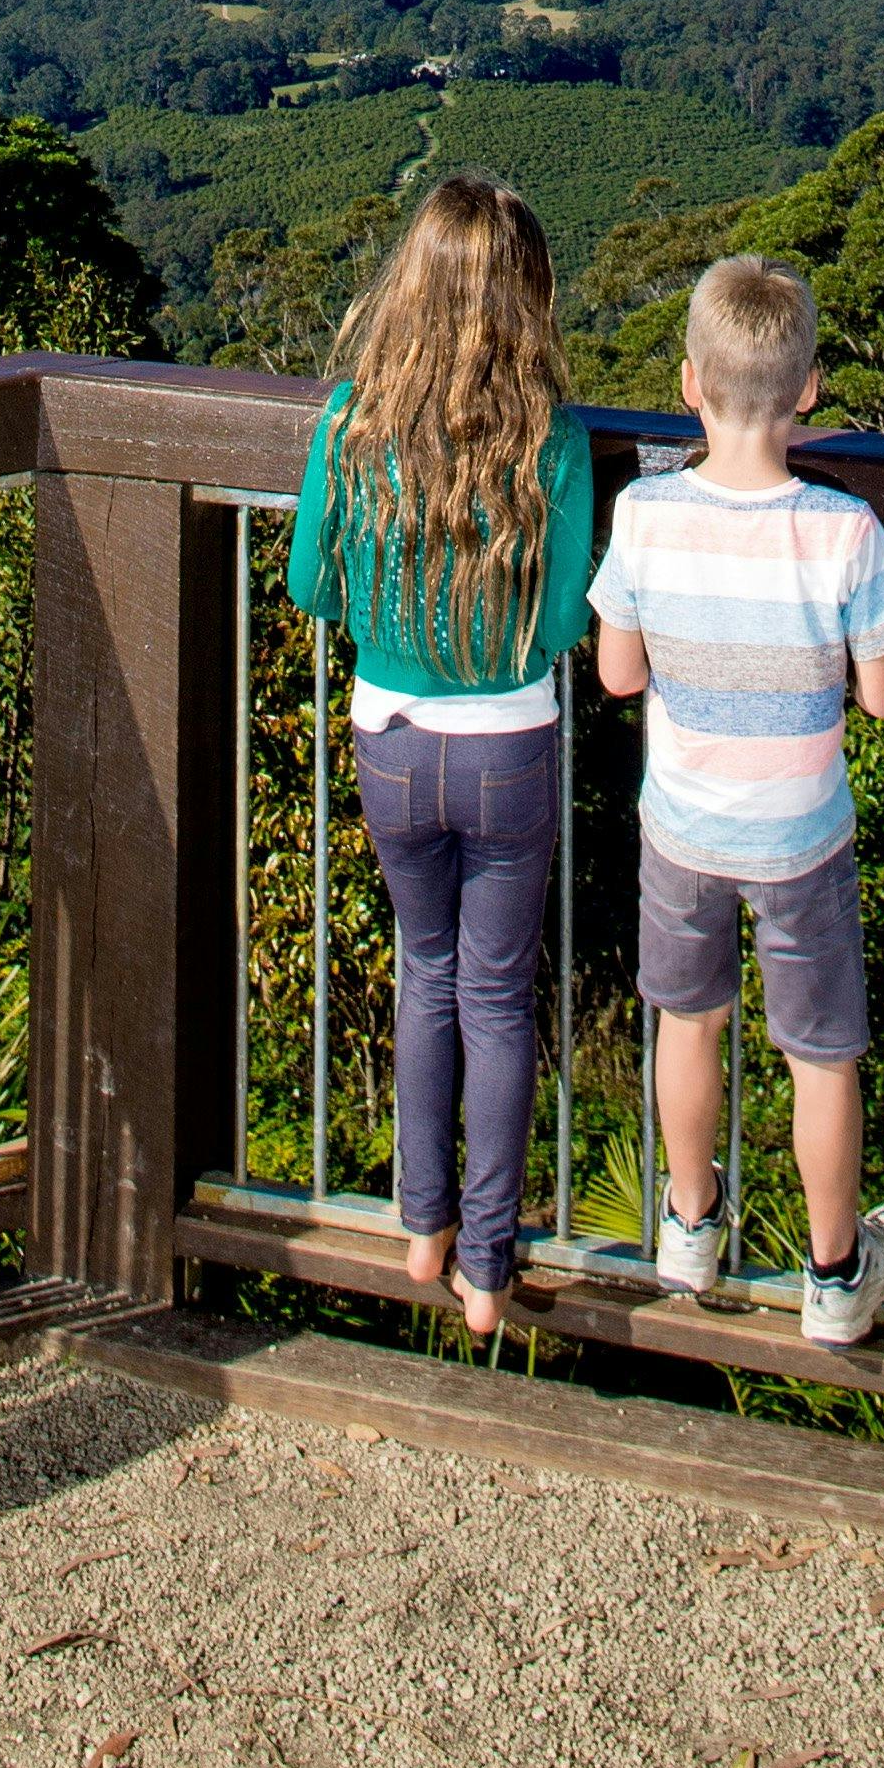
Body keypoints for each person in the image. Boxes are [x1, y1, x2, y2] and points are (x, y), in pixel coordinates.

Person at [283, 172, 597, 1341]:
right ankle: (488, 1260)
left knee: (428, 974)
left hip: (394, 739)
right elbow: (564, 621)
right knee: (499, 997)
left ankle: (421, 1226)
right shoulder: (554, 439)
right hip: (511, 745)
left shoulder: (352, 423)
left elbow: (313, 580)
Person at [586, 253, 884, 1350]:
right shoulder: (845, 531)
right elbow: (879, 697)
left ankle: (688, 1225)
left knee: (690, 1021)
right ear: (809, 387)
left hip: (682, 824)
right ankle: (832, 1275)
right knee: (821, 1054)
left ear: (690, 382)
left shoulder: (642, 515)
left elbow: (619, 675)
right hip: (802, 836)